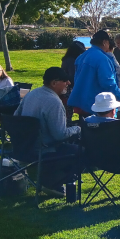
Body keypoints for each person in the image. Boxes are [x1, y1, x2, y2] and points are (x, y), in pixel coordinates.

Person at [14, 66, 83, 198]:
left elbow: (16, 117)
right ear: (54, 83)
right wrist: (78, 128)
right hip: (43, 150)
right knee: (82, 151)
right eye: (65, 80)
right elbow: (60, 135)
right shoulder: (54, 102)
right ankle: (53, 183)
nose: (68, 83)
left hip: (23, 147)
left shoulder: (31, 94)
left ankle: (51, 179)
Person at [67, 30, 120, 117]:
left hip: (81, 102)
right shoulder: (102, 58)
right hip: (97, 105)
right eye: (108, 43)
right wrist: (119, 97)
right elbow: (108, 82)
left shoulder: (81, 57)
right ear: (104, 42)